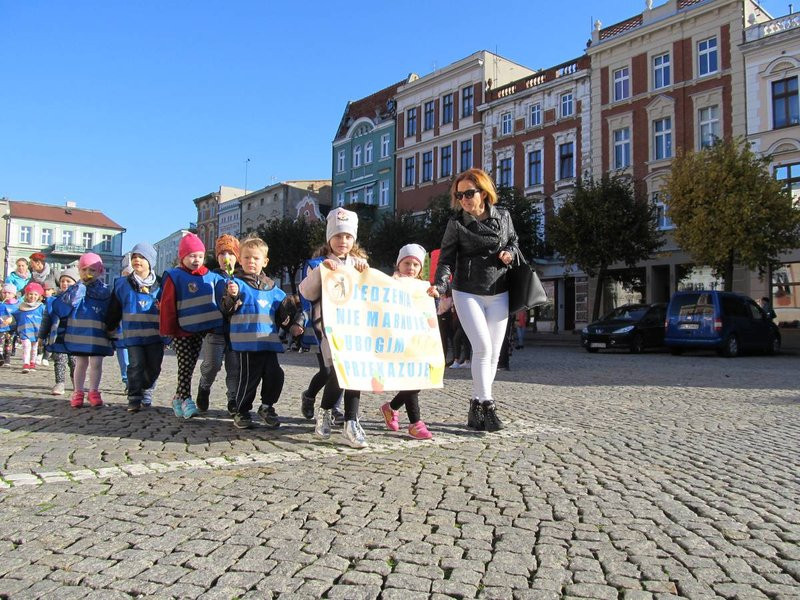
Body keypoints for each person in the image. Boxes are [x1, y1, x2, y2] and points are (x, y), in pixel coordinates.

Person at [428, 168, 520, 432]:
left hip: (499, 290)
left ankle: (476, 405)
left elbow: (513, 241)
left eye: (469, 193)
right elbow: (445, 260)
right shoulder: (456, 224)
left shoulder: (503, 216)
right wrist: (440, 285)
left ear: (483, 192)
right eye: (460, 195)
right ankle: (488, 405)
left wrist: (509, 253)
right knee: (481, 347)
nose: (464, 199)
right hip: (467, 290)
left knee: (492, 351)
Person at [299, 207, 370, 448]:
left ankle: (351, 421)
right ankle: (325, 411)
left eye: (348, 236)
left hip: (356, 328)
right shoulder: (318, 264)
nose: (343, 241)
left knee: (354, 374)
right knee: (338, 373)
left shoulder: (360, 264)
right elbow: (306, 293)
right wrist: (322, 271)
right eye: (338, 236)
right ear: (330, 238)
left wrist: (365, 274)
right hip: (330, 328)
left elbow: (372, 294)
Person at [220, 236, 302, 429]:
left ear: (264, 261)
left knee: (275, 375)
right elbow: (226, 309)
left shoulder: (273, 287)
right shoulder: (236, 284)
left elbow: (283, 314)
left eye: (256, 258)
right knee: (249, 378)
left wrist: (292, 325)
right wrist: (232, 297)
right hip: (247, 344)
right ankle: (241, 411)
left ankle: (266, 407)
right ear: (240, 260)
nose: (251, 262)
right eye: (247, 257)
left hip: (269, 343)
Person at [159, 233, 223, 420]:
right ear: (183, 257)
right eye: (192, 256)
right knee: (185, 365)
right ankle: (186, 399)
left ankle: (178, 398)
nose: (196, 260)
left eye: (200, 256)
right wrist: (167, 332)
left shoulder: (211, 277)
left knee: (190, 364)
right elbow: (168, 305)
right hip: (181, 328)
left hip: (200, 328)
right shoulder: (175, 276)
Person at [379, 244, 434, 440]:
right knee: (413, 380)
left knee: (417, 380)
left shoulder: (422, 288)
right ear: (398, 264)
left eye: (415, 265)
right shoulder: (392, 282)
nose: (411, 268)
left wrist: (433, 295)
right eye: (407, 263)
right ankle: (415, 423)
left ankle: (391, 407)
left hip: (417, 340)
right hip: (399, 340)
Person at [106, 243, 164, 412]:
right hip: (132, 335)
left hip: (155, 335)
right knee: (135, 365)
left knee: (154, 367)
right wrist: (111, 326)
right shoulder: (122, 284)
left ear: (150, 261)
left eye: (141, 257)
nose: (137, 260)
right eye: (134, 257)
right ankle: (134, 397)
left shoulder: (161, 284)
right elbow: (114, 308)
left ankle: (147, 389)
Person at [52, 253, 114, 408]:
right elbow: (69, 303)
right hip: (79, 332)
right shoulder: (76, 288)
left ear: (100, 272)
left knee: (96, 362)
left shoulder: (106, 291)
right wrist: (80, 286)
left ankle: (93, 391)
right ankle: (78, 391)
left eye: (92, 270)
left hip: (98, 332)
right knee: (81, 363)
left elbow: (111, 310)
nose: (88, 274)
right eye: (84, 269)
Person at [196, 235, 241, 414]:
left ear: (236, 257)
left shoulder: (241, 277)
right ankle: (204, 387)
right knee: (212, 365)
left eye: (230, 253)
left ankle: (232, 399)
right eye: (222, 253)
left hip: (236, 331)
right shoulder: (210, 276)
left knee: (235, 368)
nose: (226, 257)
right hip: (215, 329)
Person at [41, 267, 78, 395]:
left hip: (74, 336)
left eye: (68, 281)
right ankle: (60, 383)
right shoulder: (53, 300)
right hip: (58, 335)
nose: (65, 284)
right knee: (59, 360)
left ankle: (76, 383)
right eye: (62, 281)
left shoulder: (78, 300)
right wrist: (41, 336)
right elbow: (46, 319)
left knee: (74, 362)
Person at [13, 282, 45, 373]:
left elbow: (46, 318)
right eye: (30, 294)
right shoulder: (21, 307)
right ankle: (26, 363)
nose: (33, 296)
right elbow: (14, 317)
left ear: (39, 296)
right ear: (26, 295)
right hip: (25, 331)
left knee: (34, 348)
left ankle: (32, 363)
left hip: (36, 331)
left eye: (35, 294)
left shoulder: (41, 307)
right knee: (26, 347)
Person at [0, 283, 19, 366]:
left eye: (9, 293)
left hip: (11, 328)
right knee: (1, 342)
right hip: (1, 327)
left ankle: (7, 358)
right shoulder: (1, 304)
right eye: (4, 293)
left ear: (14, 294)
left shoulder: (17, 305)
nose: (6, 294)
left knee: (9, 342)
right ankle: (1, 357)